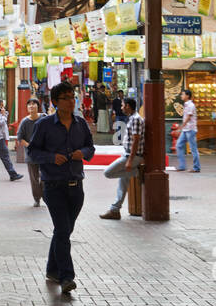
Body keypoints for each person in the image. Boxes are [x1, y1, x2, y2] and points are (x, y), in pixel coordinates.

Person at [27, 81, 94, 294]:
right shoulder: (44, 125)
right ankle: (67, 277)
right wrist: (50, 158)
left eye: (72, 97)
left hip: (76, 186)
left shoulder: (80, 124)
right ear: (55, 102)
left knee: (63, 231)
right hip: (53, 186)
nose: (71, 101)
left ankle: (52, 269)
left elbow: (90, 148)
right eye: (66, 98)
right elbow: (32, 153)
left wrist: (82, 153)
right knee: (63, 230)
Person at [100, 97, 144, 221]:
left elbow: (136, 139)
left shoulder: (135, 119)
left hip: (132, 156)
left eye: (123, 105)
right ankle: (115, 210)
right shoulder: (132, 118)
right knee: (122, 184)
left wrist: (130, 160)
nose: (121, 107)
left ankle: (136, 172)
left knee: (108, 172)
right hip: (129, 154)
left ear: (128, 106)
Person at [15, 97, 44, 206]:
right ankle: (37, 199)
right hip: (31, 154)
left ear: (38, 106)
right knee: (34, 179)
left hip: (44, 154)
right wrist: (30, 146)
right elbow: (20, 138)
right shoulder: (25, 122)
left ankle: (44, 194)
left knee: (45, 176)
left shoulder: (44, 118)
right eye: (29, 104)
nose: (31, 106)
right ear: (27, 107)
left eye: (34, 104)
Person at [175, 88, 200, 173]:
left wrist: (181, 127)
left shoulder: (191, 105)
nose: (181, 96)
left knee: (193, 149)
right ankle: (182, 166)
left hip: (190, 129)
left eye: (183, 94)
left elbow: (188, 117)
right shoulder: (186, 104)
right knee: (178, 145)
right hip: (186, 130)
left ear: (187, 96)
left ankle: (196, 167)